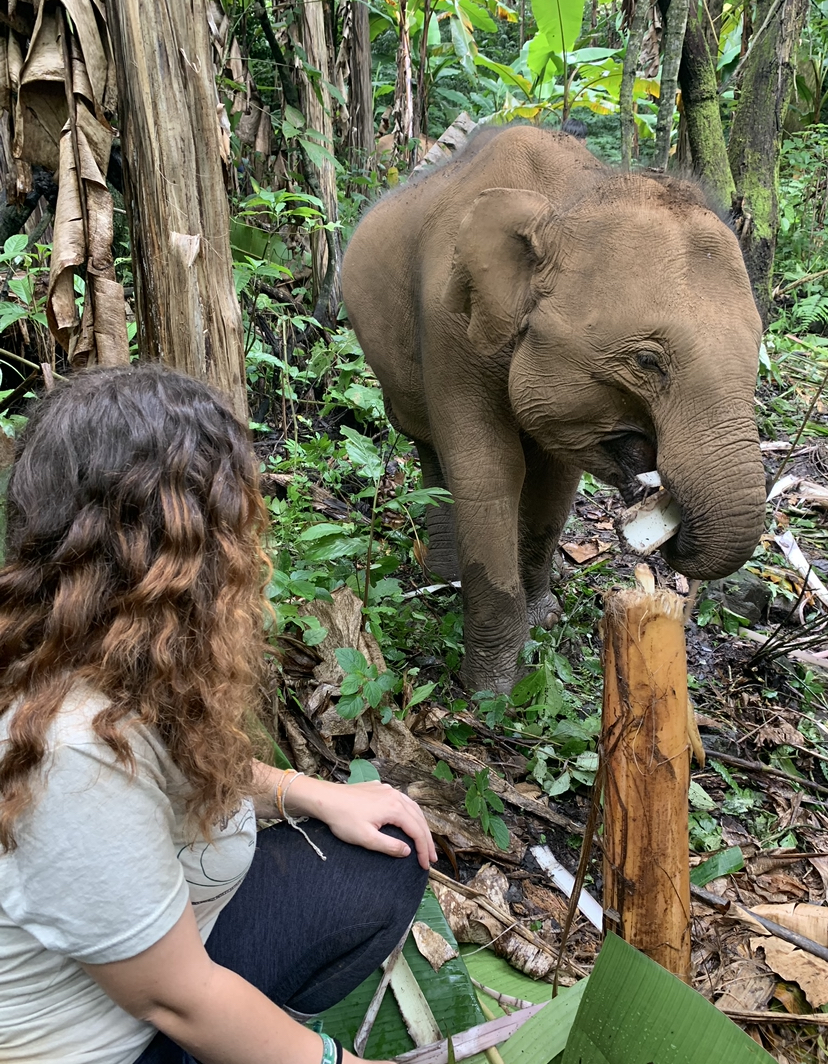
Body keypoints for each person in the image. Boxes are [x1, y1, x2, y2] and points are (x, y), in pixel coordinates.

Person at [0, 365, 436, 1064]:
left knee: (380, 859)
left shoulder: (85, 645)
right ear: (178, 553)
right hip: (119, 1039)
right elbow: (177, 998)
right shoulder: (71, 750)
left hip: (170, 952)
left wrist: (306, 790)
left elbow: (180, 754)